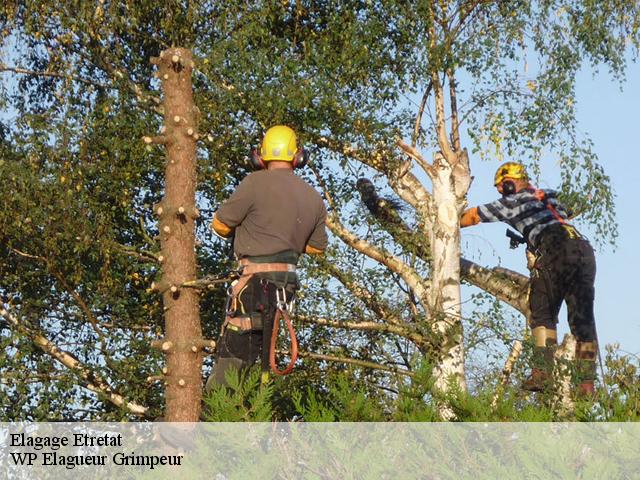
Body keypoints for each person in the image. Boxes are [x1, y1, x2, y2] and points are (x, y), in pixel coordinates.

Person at [205, 125, 328, 390]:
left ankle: (214, 418)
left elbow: (220, 225)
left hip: (253, 285)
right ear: (298, 157)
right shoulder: (313, 197)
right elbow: (317, 248)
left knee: (233, 360)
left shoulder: (253, 183)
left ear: (260, 157)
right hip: (284, 288)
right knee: (262, 356)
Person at [460, 162, 597, 396]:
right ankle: (587, 384)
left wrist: (444, 222)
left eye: (502, 187)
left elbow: (472, 216)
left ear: (510, 183)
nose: (500, 192)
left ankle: (542, 373)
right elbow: (576, 205)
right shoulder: (551, 196)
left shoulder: (512, 203)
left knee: (542, 311)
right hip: (583, 249)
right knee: (582, 318)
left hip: (555, 248)